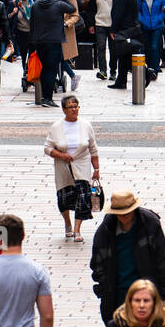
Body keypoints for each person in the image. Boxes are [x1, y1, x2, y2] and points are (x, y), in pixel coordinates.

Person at [89, 190, 165, 324]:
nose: (124, 217)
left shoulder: (150, 224)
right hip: (117, 294)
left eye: (127, 213)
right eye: (120, 214)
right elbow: (97, 264)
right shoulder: (105, 231)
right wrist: (104, 290)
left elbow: (163, 260)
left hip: (147, 292)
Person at [45, 95, 100, 243]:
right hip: (63, 168)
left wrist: (96, 169)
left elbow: (93, 148)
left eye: (76, 106)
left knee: (83, 196)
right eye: (70, 107)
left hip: (82, 165)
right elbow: (47, 148)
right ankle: (67, 223)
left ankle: (77, 230)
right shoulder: (56, 127)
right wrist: (61, 155)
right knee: (64, 198)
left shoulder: (86, 125)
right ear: (64, 110)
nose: (74, 109)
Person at [29, 0, 76, 108]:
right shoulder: (59, 4)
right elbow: (72, 9)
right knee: (51, 69)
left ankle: (45, 96)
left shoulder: (36, 4)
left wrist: (33, 41)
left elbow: (31, 24)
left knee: (45, 68)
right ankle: (47, 98)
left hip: (39, 41)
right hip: (54, 40)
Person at [106, 0, 146, 91]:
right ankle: (121, 80)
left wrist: (113, 29)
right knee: (124, 56)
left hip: (125, 29)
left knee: (125, 55)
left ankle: (145, 74)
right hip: (129, 28)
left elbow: (119, 13)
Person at [137, 0, 165, 74]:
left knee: (155, 47)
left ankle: (154, 69)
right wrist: (142, 20)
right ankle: (144, 68)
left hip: (157, 25)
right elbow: (138, 11)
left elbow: (164, 10)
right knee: (144, 47)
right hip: (144, 25)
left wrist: (159, 19)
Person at [88, 0, 115, 80]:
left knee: (114, 49)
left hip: (113, 25)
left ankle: (113, 71)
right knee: (101, 47)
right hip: (99, 23)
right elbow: (91, 8)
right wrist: (91, 24)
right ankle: (103, 70)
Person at [9, 0, 34, 75]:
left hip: (33, 32)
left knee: (33, 55)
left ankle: (33, 73)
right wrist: (12, 13)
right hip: (21, 33)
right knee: (23, 54)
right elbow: (7, 18)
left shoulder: (34, 1)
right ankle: (26, 73)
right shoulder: (14, 3)